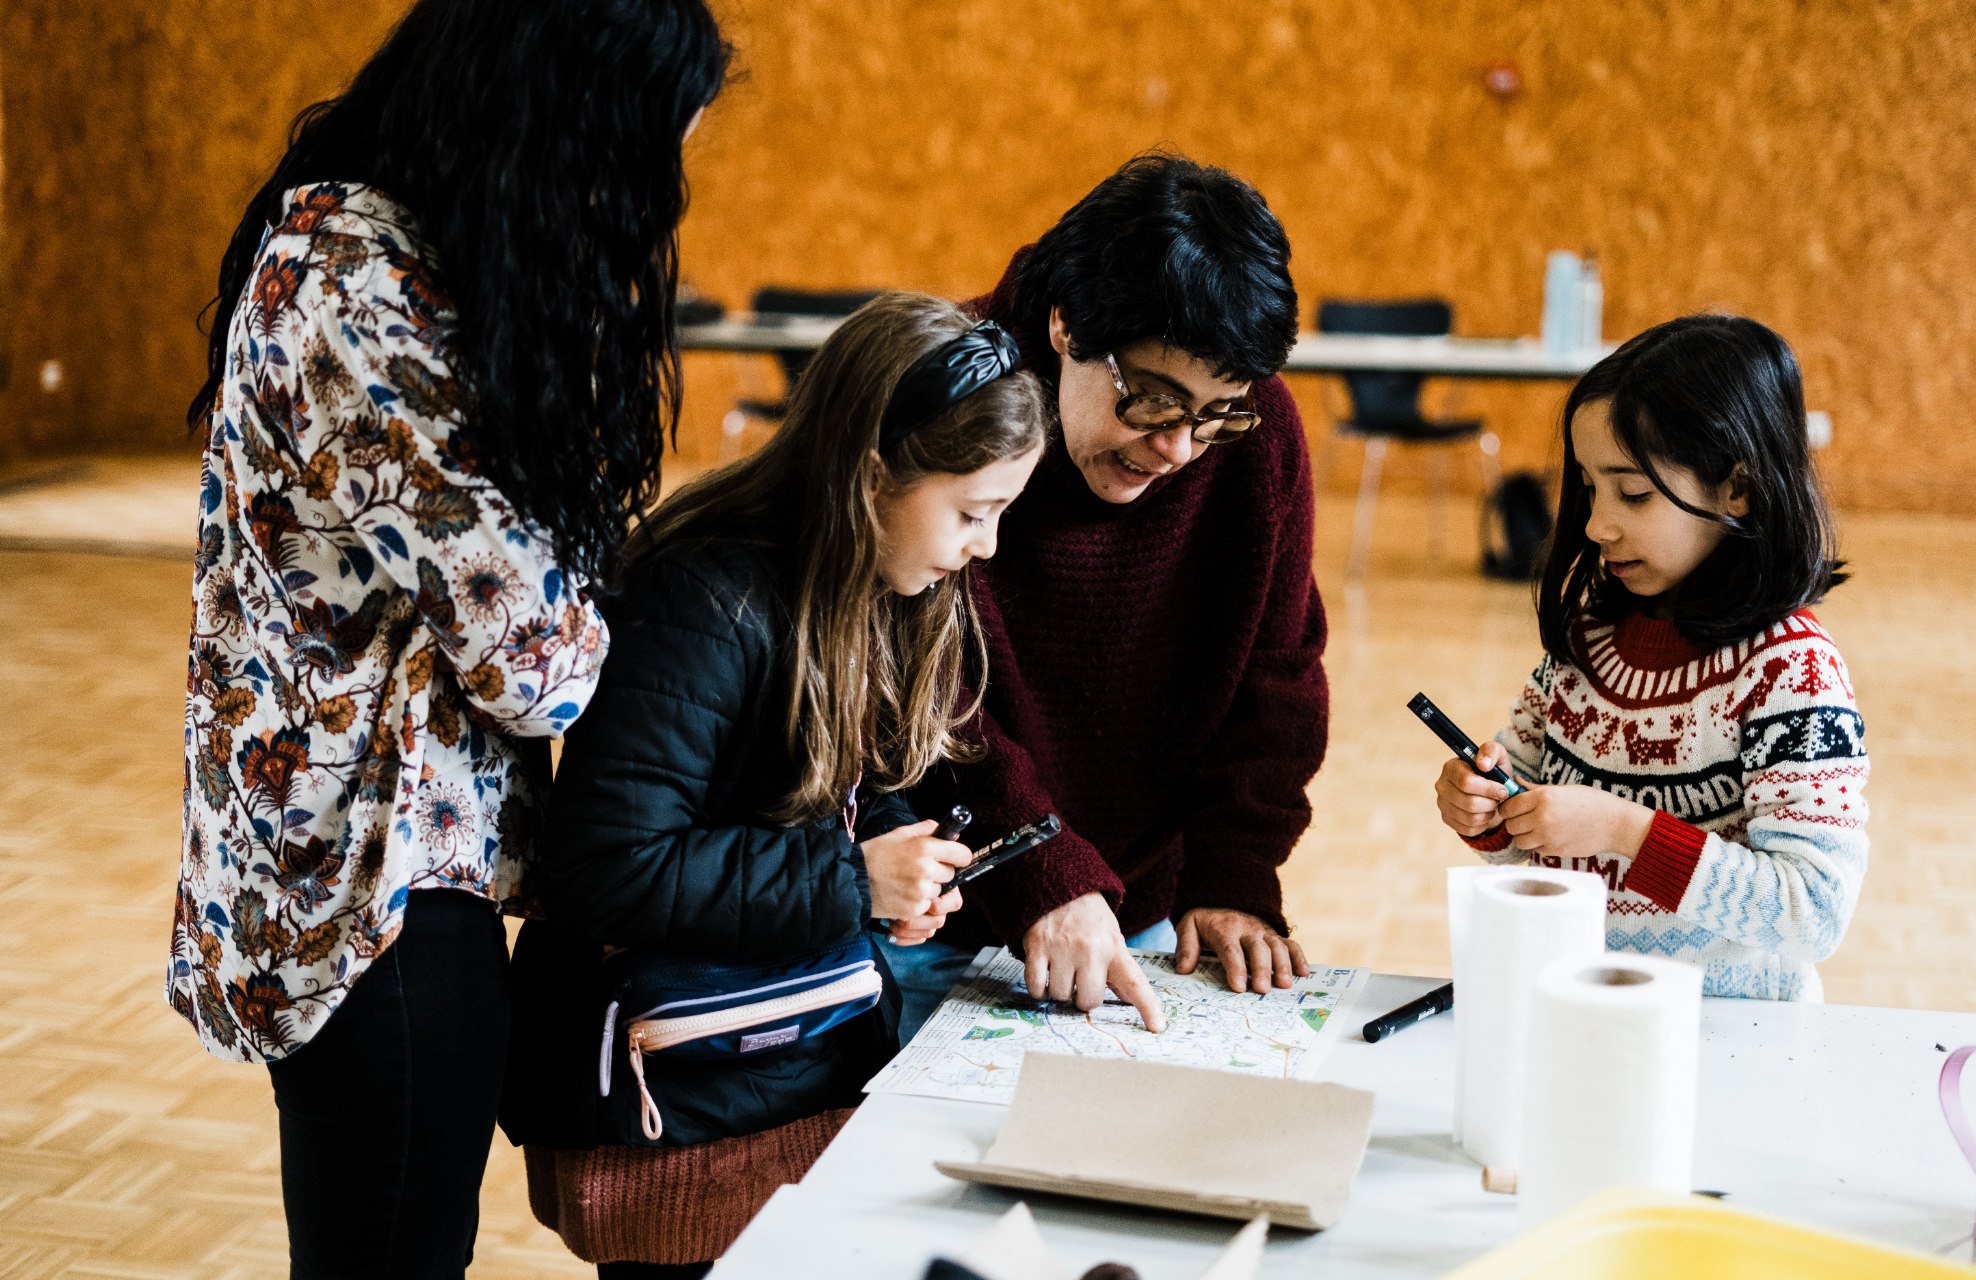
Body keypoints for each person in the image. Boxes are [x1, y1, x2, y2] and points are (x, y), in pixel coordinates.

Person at [164, 1, 730, 1272]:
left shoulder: (386, 251)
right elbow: (538, 664)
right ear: (555, 123)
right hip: (371, 891)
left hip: (386, 865)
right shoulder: (354, 279)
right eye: (638, 160)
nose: (633, 207)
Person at [498, 293, 1049, 1276]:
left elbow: (833, 786)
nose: (988, 545)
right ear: (872, 475)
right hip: (671, 1109)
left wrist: (898, 853)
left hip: (788, 1060)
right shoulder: (699, 597)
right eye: (973, 513)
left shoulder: (864, 578)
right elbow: (605, 867)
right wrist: (854, 881)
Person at [880, 153, 1330, 1038]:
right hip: (931, 909)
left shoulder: (1258, 435)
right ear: (1065, 324)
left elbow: (1278, 675)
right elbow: (909, 686)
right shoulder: (949, 397)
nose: (1181, 449)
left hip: (1136, 908)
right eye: (1154, 402)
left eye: (1218, 412)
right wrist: (1040, 869)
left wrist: (1234, 874)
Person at [1434, 314, 1867, 1000]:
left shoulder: (1791, 670)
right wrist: (1485, 808)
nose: (1595, 525)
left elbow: (1811, 911)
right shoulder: (1588, 640)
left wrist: (1624, 831)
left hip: (1734, 1033)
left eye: (1633, 493)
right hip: (1583, 1011)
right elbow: (1526, 811)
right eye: (1589, 487)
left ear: (1736, 489)